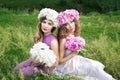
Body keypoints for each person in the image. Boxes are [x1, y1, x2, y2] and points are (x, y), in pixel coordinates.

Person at [53, 9, 115, 80]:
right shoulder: (63, 39)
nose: (70, 26)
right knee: (93, 70)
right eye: (66, 24)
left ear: (75, 22)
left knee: (94, 67)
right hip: (67, 66)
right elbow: (60, 61)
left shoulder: (72, 34)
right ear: (63, 27)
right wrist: (73, 54)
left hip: (75, 60)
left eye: (72, 22)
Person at [14, 8, 59, 77]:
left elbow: (56, 63)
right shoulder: (38, 36)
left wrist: (42, 62)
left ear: (53, 27)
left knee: (22, 74)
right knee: (16, 69)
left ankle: (36, 72)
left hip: (43, 67)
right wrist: (31, 61)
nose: (45, 26)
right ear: (41, 22)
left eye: (49, 24)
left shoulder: (53, 41)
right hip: (33, 61)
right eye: (44, 22)